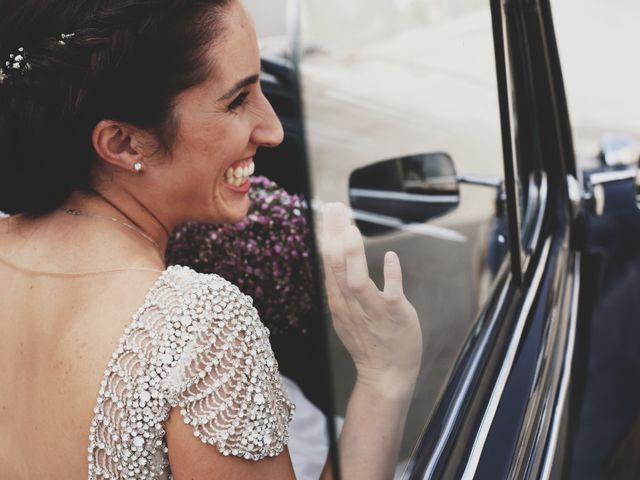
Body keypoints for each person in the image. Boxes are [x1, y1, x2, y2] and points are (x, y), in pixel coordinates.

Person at [0, 1, 423, 479]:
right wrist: (383, 377)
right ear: (122, 142)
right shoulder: (201, 326)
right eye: (238, 100)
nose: (273, 130)